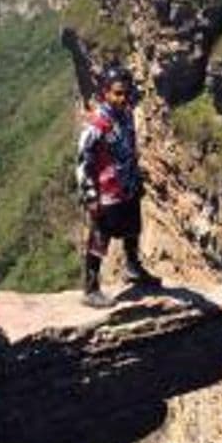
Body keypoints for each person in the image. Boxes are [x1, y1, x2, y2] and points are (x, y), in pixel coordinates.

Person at [76, 64, 162, 308]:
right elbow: (83, 161)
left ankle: (133, 268)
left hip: (127, 186)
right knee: (101, 237)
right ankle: (91, 289)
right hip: (107, 191)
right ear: (105, 93)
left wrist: (137, 179)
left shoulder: (125, 115)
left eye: (125, 92)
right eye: (117, 93)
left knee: (132, 229)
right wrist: (90, 195)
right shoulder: (97, 124)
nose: (122, 97)